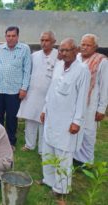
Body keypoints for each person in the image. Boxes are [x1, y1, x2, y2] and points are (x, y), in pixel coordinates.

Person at [40, 38, 90, 196]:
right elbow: (51, 89)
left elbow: (82, 99)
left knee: (63, 154)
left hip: (67, 121)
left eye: (67, 50)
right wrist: (44, 109)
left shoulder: (82, 70)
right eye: (61, 50)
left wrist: (77, 122)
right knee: (48, 149)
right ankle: (48, 180)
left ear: (76, 51)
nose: (63, 53)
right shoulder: (59, 65)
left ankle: (60, 189)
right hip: (51, 116)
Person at [0, 26, 32, 149]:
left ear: (17, 36)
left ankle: (11, 142)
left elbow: (27, 70)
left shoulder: (24, 49)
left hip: (14, 90)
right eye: (8, 36)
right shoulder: (0, 49)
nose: (10, 38)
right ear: (5, 36)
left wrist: (24, 88)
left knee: (12, 117)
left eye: (13, 36)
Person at [17, 31, 58, 154]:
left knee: (44, 121)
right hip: (33, 93)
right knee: (30, 119)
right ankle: (29, 145)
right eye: (42, 40)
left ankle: (42, 150)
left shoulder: (58, 56)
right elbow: (27, 72)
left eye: (47, 41)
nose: (44, 43)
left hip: (49, 94)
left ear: (53, 42)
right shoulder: (34, 55)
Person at [74, 34, 108, 164]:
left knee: (88, 132)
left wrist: (101, 108)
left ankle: (87, 161)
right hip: (75, 101)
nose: (84, 47)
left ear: (95, 47)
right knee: (75, 129)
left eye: (88, 45)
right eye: (83, 44)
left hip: (91, 104)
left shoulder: (102, 61)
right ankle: (75, 157)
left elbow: (105, 86)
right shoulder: (76, 58)